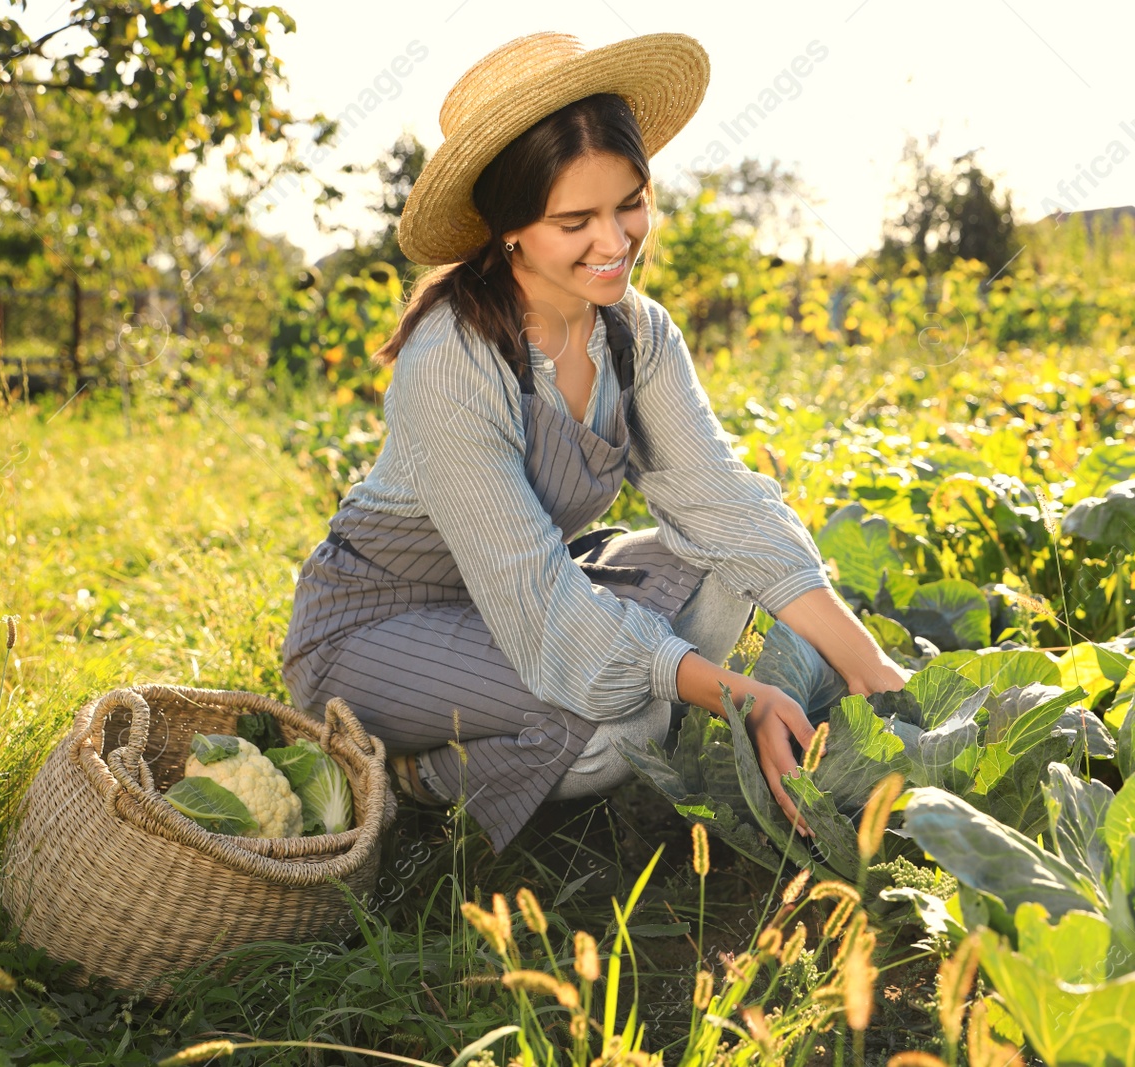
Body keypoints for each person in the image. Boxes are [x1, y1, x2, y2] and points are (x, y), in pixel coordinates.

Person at [280, 30, 910, 854]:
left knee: (727, 565)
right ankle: (414, 775)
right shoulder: (452, 361)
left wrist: (869, 665)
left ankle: (598, 704)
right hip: (376, 630)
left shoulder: (636, 336)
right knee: (627, 711)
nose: (615, 243)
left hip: (512, 600)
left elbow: (721, 499)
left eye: (630, 203)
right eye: (575, 220)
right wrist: (734, 693)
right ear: (507, 228)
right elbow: (538, 604)